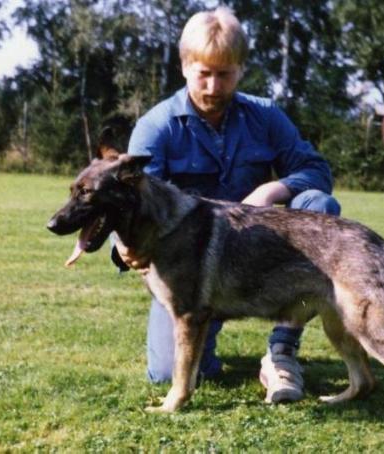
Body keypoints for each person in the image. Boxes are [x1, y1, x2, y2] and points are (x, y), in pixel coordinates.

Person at [124, 6, 340, 404]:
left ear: (241, 69)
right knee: (167, 374)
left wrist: (272, 190)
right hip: (188, 271)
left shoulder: (266, 116)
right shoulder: (156, 127)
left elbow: (315, 169)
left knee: (319, 205)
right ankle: (199, 345)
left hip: (261, 256)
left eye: (224, 74)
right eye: (203, 73)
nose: (212, 86)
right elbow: (125, 198)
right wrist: (126, 249)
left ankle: (283, 349)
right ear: (185, 66)